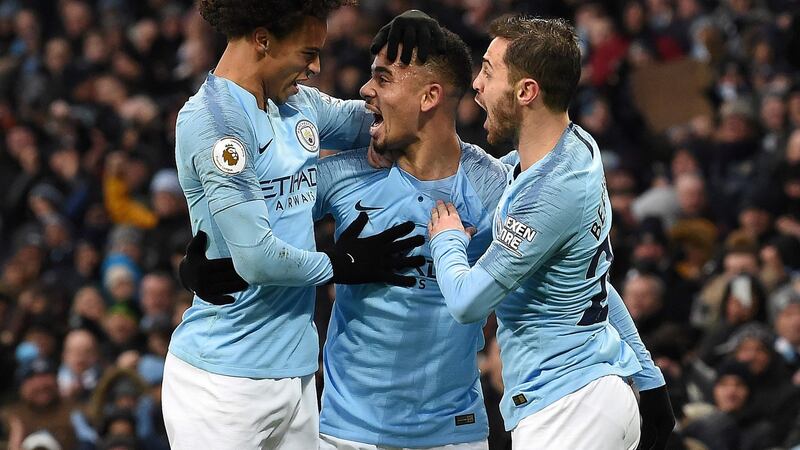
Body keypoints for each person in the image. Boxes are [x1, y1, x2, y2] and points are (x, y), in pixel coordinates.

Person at [180, 14, 672, 450]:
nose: (365, 91)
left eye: (382, 78)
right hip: (345, 431)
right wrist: (206, 263)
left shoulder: (493, 187)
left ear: (430, 96)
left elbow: (587, 284)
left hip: (455, 431)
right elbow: (264, 221)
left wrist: (647, 374)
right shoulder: (344, 176)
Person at [162, 2, 440, 449]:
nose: (316, 68)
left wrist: (419, 35)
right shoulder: (215, 122)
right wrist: (344, 263)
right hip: (224, 380)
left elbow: (391, 120)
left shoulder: (298, 105)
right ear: (263, 40)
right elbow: (258, 260)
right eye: (307, 53)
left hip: (297, 374)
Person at [427, 15, 675, 449]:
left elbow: (467, 302)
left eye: (488, 71)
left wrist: (446, 239)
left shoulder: (548, 195)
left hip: (568, 412)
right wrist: (650, 378)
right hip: (596, 393)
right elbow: (595, 284)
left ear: (526, 92)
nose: (477, 85)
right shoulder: (577, 148)